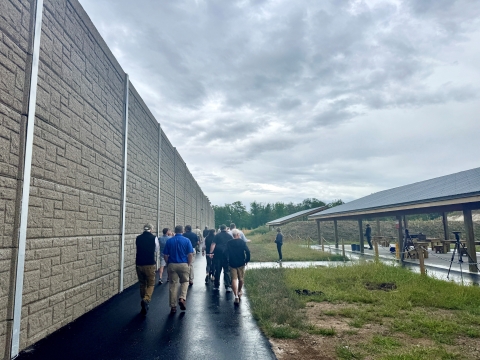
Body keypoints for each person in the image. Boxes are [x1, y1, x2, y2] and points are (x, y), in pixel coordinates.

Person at [163, 225, 193, 314]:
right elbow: (190, 254)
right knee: (185, 282)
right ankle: (182, 298)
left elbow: (165, 254)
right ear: (182, 231)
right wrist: (189, 263)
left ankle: (173, 306)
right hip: (183, 264)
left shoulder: (169, 241)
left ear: (175, 231)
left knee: (173, 285)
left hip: (172, 264)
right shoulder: (187, 240)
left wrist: (168, 263)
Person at [135, 223, 159, 315]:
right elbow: (156, 250)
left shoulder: (138, 238)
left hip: (139, 263)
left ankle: (143, 301)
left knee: (142, 283)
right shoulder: (154, 238)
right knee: (151, 284)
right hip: (149, 263)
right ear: (151, 229)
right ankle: (146, 300)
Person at [227, 229, 251, 305]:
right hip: (241, 262)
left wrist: (227, 260)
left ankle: (236, 296)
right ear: (237, 235)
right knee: (241, 278)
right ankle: (239, 291)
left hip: (232, 263)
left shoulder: (229, 243)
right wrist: (247, 260)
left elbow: (225, 252)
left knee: (234, 279)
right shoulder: (242, 242)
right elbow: (247, 251)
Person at [209, 224, 233, 292]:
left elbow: (213, 244)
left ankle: (216, 285)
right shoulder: (229, 236)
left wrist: (211, 253)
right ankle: (227, 286)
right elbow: (231, 245)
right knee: (227, 271)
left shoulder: (217, 235)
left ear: (220, 228)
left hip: (217, 255)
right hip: (226, 255)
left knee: (217, 270)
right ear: (226, 228)